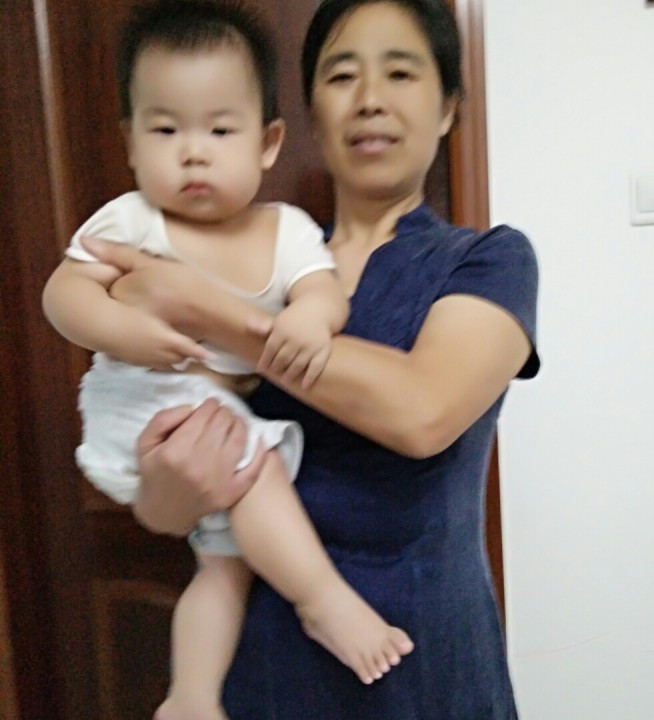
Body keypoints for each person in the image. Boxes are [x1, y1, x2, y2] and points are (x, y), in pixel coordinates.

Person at [83, 0, 541, 717]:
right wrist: (165, 496)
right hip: (264, 663)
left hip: (423, 662)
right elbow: (177, 476)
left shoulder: (488, 260)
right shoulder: (257, 259)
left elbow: (422, 413)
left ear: (449, 107)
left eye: (400, 73)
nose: (370, 99)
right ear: (309, 115)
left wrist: (202, 306)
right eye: (341, 75)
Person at [42, 2, 415, 719]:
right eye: (165, 130)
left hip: (210, 416)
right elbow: (63, 294)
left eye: (219, 130)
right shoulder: (132, 219)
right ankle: (322, 599)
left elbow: (325, 294)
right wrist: (121, 329)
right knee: (257, 466)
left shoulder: (288, 232)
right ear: (129, 141)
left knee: (225, 565)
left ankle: (191, 696)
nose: (193, 152)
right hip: (137, 402)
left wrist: (308, 317)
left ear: (269, 143)